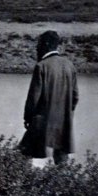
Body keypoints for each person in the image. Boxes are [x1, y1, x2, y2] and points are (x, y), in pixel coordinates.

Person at [22, 30, 78, 165]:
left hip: (42, 120)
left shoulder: (41, 66)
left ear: (46, 44)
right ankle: (63, 179)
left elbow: (34, 98)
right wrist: (66, 113)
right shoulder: (69, 65)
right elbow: (75, 96)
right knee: (61, 158)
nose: (37, 48)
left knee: (23, 154)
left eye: (39, 44)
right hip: (63, 120)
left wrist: (28, 118)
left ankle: (20, 178)